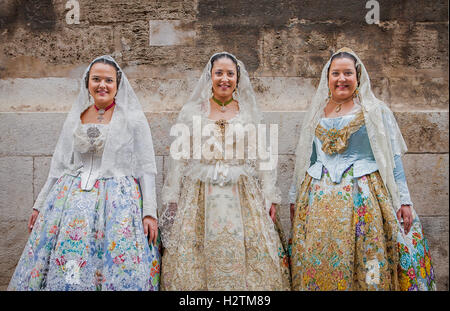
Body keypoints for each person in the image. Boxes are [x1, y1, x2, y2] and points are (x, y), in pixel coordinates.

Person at [8, 55, 160, 291]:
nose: (102, 85)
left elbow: (146, 168)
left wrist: (149, 212)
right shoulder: (76, 117)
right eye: (96, 79)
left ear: (117, 85)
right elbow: (59, 165)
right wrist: (39, 205)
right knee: (72, 256)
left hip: (118, 203)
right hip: (73, 204)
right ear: (87, 82)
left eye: (108, 80)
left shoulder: (133, 119)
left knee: (116, 257)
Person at [288, 47, 436, 291]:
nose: (341, 79)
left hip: (364, 200)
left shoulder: (375, 111)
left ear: (358, 78)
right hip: (318, 203)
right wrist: (294, 196)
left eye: (348, 73)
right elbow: (306, 159)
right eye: (336, 73)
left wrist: (404, 201)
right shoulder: (315, 114)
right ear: (328, 79)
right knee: (321, 257)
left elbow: (393, 158)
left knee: (370, 258)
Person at [159, 52, 290, 290]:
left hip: (240, 190)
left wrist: (268, 195)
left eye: (230, 74)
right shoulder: (192, 112)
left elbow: (264, 156)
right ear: (210, 76)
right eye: (219, 73)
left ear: (237, 78)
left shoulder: (248, 112)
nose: (224, 79)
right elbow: (178, 158)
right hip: (199, 192)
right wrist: (172, 197)